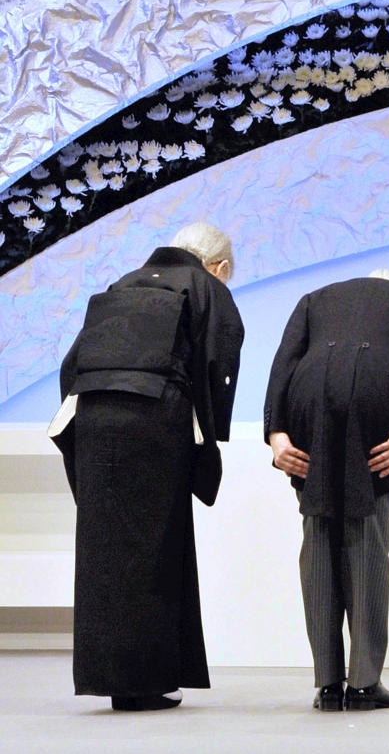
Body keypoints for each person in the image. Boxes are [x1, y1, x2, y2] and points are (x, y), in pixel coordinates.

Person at [50, 221, 244, 711]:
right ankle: (147, 682)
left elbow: (72, 364)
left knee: (105, 550)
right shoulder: (206, 285)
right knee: (156, 545)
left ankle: (113, 679)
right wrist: (210, 442)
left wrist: (83, 433)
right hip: (155, 416)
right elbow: (221, 358)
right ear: (219, 267)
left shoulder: (123, 284)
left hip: (93, 414)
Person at [264, 272, 389, 712]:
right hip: (373, 407)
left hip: (309, 406)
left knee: (319, 536)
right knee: (367, 538)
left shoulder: (314, 299)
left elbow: (283, 362)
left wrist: (275, 433)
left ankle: (327, 685)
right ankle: (364, 684)